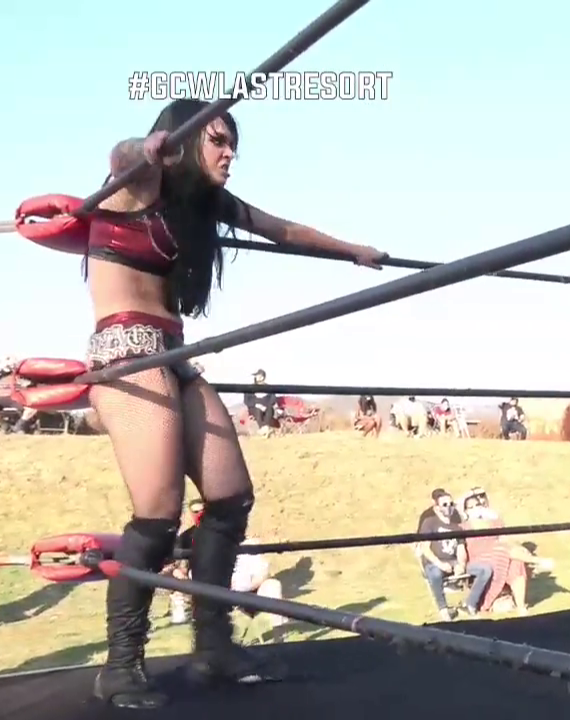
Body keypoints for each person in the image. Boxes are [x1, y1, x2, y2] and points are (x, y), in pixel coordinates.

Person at [81, 99, 386, 708]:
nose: (229, 155)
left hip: (173, 352)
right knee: (157, 513)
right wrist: (149, 148)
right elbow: (121, 156)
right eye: (217, 141)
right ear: (183, 140)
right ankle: (119, 665)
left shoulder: (203, 203)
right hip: (125, 352)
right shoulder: (141, 180)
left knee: (229, 496)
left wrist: (354, 250)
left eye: (233, 146)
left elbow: (282, 230)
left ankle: (213, 646)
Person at [414, 489, 494, 622]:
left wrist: (461, 565)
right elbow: (425, 548)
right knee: (435, 573)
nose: (449, 507)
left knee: (485, 569)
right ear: (437, 508)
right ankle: (443, 609)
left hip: (453, 562)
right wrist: (440, 564)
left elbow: (461, 549)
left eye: (451, 504)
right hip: (435, 563)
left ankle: (470, 604)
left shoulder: (456, 527)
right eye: (445, 505)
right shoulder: (429, 523)